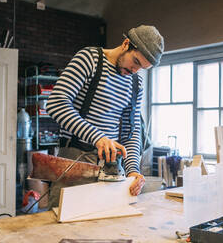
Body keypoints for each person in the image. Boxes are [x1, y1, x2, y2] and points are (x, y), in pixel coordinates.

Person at [46, 25, 164, 208]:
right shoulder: (89, 59)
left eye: (142, 68)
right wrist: (98, 137)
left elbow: (130, 133)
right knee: (66, 229)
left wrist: (133, 170)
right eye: (135, 61)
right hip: (77, 160)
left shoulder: (136, 82)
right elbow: (56, 103)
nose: (135, 70)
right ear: (126, 44)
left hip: (112, 167)